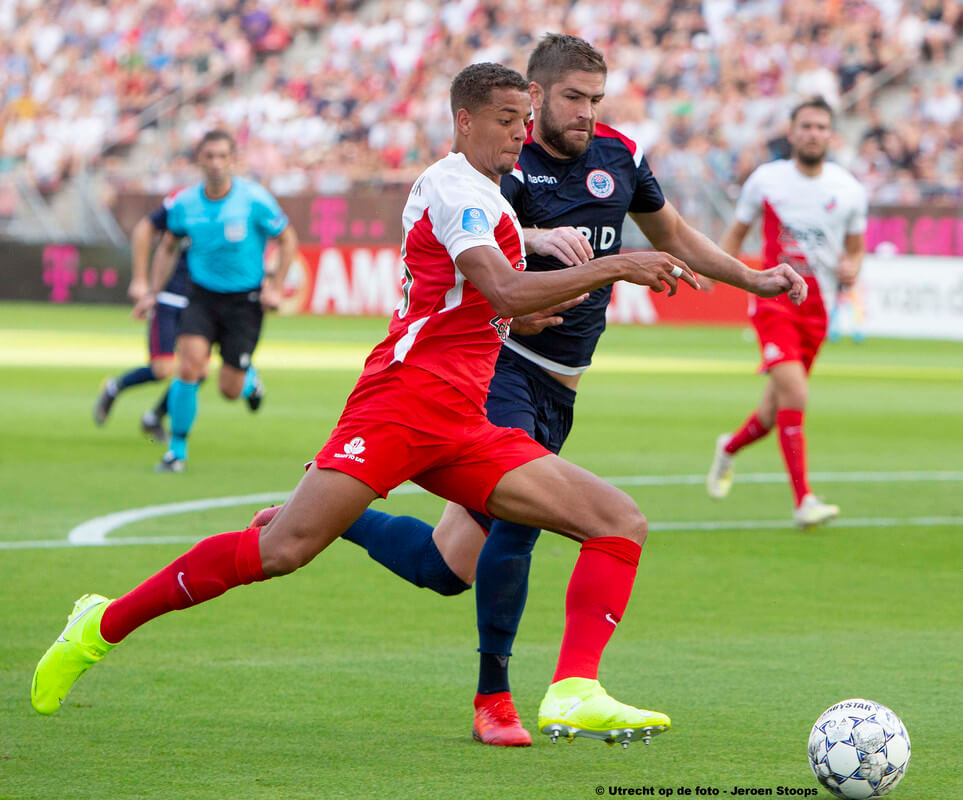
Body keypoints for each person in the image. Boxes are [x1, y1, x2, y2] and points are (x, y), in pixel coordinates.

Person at [32, 62, 710, 749]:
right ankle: (99, 625)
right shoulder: (458, 190)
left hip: (462, 422)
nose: (518, 135)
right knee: (282, 551)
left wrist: (523, 319)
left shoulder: (490, 197)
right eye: (505, 121)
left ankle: (573, 690)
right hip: (400, 406)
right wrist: (617, 264)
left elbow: (478, 306)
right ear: (464, 121)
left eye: (522, 122)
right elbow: (502, 289)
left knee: (616, 521)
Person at [250, 35, 808, 748]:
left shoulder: (621, 156)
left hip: (562, 388)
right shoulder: (503, 166)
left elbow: (675, 234)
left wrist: (753, 279)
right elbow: (485, 261)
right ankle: (500, 698)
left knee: (446, 567)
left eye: (594, 100)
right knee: (522, 525)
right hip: (499, 370)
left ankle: (335, 509)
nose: (584, 114)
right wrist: (544, 260)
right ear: (537, 97)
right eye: (572, 98)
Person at [706, 96, 868, 528]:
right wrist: (712, 272)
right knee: (795, 396)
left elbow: (855, 250)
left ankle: (729, 448)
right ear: (792, 132)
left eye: (821, 127)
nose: (813, 134)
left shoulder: (849, 190)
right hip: (775, 299)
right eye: (806, 126)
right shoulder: (767, 180)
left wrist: (854, 268)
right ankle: (804, 501)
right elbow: (737, 234)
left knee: (775, 409)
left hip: (820, 310)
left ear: (830, 135)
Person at [135, 129, 298, 472]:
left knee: (229, 388)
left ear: (233, 160)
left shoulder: (254, 200)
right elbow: (167, 247)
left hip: (245, 301)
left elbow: (287, 239)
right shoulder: (185, 203)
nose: (215, 163)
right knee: (190, 366)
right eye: (209, 156)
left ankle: (250, 382)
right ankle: (176, 452)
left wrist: (276, 286)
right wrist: (152, 291)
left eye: (222, 156)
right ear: (199, 160)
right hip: (202, 296)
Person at [92, 194, 190, 442]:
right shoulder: (188, 206)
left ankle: (155, 417)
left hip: (202, 302)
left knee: (195, 370)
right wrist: (147, 287)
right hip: (169, 296)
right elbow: (153, 236)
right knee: (163, 369)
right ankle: (115, 386)